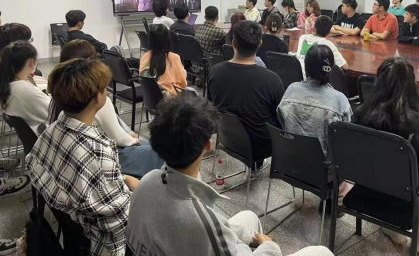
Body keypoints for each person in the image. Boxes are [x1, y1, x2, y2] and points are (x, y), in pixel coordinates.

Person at [127, 96, 332, 256]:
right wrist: (270, 248)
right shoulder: (200, 221)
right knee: (321, 252)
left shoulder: (147, 182)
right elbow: (209, 228)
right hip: (198, 236)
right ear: (208, 145)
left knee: (250, 218)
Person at [27, 59, 139, 256]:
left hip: (77, 232)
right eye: (104, 89)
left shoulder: (53, 129)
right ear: (98, 98)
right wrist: (143, 197)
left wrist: (124, 179)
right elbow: (119, 221)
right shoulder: (96, 152)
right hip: (106, 244)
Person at [350, 57, 419, 255]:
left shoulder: (358, 118)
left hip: (365, 192)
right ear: (413, 88)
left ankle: (391, 228)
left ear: (377, 85)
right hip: (406, 205)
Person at [59, 40, 164, 178]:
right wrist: (131, 139)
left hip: (105, 150)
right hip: (115, 154)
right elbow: (118, 138)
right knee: (161, 154)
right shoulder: (95, 103)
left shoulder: (62, 96)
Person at [278, 45, 353, 210]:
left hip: (288, 164)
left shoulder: (291, 90)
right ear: (331, 68)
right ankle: (337, 200)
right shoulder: (340, 100)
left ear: (306, 66)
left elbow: (283, 126)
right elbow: (346, 141)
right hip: (323, 174)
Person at [208, 21, 284, 168]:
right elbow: (279, 116)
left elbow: (212, 107)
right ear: (260, 43)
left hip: (227, 138)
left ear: (233, 43)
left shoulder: (215, 72)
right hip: (262, 146)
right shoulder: (272, 79)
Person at [0, 42, 50, 135]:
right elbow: (55, 113)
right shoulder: (24, 91)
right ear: (32, 62)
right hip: (48, 135)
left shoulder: (8, 85)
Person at [140, 24, 187, 97]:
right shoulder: (173, 58)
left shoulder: (144, 56)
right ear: (168, 39)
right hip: (170, 98)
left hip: (149, 96)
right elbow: (182, 82)